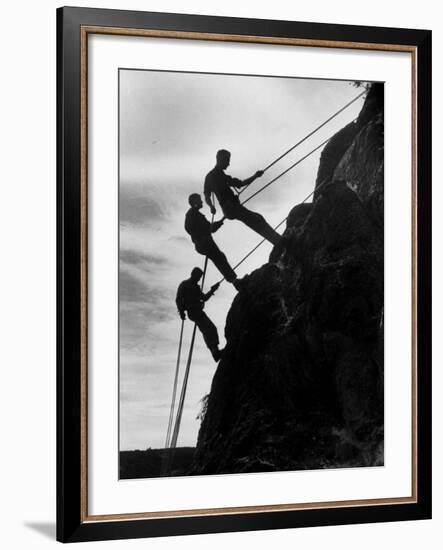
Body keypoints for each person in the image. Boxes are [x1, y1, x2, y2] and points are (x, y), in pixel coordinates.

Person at [204, 149, 281, 246]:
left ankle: (277, 240)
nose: (228, 163)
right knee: (256, 221)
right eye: (227, 160)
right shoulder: (219, 175)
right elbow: (240, 184)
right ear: (220, 159)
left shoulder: (211, 176)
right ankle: (278, 241)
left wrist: (211, 206)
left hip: (229, 209)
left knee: (257, 218)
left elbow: (207, 195)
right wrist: (255, 176)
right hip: (232, 207)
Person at [185, 193, 243, 290]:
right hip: (204, 242)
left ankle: (234, 281)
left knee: (220, 258)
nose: (202, 201)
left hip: (202, 243)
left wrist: (220, 222)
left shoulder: (194, 215)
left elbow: (210, 228)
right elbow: (207, 228)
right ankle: (235, 282)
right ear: (194, 202)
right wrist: (201, 235)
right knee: (220, 259)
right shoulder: (192, 215)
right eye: (199, 200)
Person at [176, 267, 222, 362]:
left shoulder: (195, 287)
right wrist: (181, 311)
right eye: (199, 277)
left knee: (209, 329)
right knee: (209, 328)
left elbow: (204, 298)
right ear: (193, 274)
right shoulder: (185, 285)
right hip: (193, 311)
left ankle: (215, 351)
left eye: (200, 277)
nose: (199, 279)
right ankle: (215, 352)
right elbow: (178, 299)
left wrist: (212, 290)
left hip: (197, 311)